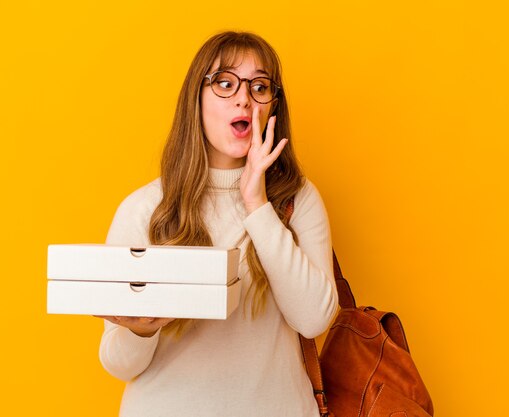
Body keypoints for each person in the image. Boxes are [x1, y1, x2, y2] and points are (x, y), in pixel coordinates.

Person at [97, 31, 338, 417]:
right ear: (197, 98)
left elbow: (313, 320)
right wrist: (142, 329)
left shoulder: (297, 199)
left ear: (272, 106)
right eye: (225, 83)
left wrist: (256, 204)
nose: (244, 97)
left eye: (260, 86)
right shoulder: (145, 209)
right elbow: (119, 364)